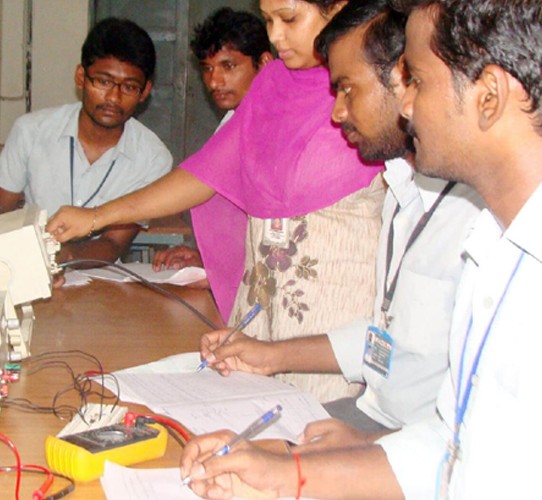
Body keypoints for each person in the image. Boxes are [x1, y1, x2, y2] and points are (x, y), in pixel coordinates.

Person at [180, 0, 542, 498]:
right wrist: (294, 473)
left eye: (414, 79)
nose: (405, 103)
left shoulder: (489, 234)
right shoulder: (484, 238)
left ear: (489, 96)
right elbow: (453, 444)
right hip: (387, 431)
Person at [49, 0, 385, 404]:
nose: (275, 35)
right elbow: (204, 173)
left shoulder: (373, 88)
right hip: (260, 312)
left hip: (334, 318)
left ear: (340, 10)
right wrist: (96, 217)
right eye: (268, 20)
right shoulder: (271, 83)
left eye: (290, 19)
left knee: (321, 434)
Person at [199, 0, 483, 440]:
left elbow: (470, 430)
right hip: (373, 415)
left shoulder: (475, 216)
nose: (337, 112)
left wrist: (358, 456)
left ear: (405, 82)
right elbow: (383, 342)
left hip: (413, 443)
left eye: (348, 89)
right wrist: (269, 355)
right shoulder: (402, 193)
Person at [0, 18, 171, 266]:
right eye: (103, 82)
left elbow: (114, 243)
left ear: (145, 92)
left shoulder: (154, 158)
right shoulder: (30, 131)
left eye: (129, 87)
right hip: (28, 266)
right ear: (81, 77)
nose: (113, 98)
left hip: (101, 277)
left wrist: (65, 257)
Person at [152, 7, 273, 283]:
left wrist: (97, 217)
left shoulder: (274, 126)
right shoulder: (232, 121)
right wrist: (206, 259)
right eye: (207, 69)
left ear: (264, 63)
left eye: (229, 66)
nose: (214, 81)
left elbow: (193, 185)